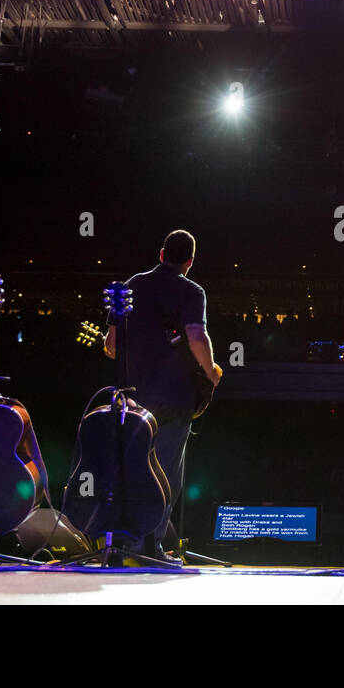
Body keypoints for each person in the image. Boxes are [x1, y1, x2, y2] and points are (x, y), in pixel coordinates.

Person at [105, 230, 221, 561]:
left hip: (133, 398)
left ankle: (123, 542)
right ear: (190, 261)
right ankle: (150, 546)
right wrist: (211, 372)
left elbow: (111, 346)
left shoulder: (132, 284)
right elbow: (197, 336)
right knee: (166, 473)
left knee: (131, 469)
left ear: (160, 254)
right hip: (174, 396)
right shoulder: (192, 291)